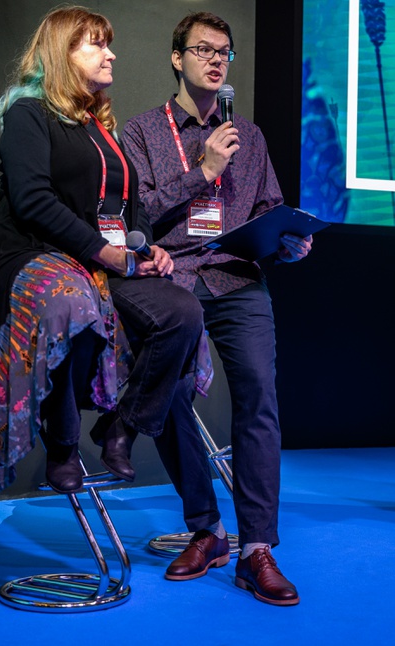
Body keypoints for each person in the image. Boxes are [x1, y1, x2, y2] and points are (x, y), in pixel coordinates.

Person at [0, 6, 214, 501]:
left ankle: (121, 428)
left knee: (183, 311)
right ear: (63, 54)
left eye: (109, 44)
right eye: (97, 44)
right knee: (72, 303)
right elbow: (32, 201)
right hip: (35, 255)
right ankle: (62, 444)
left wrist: (144, 247)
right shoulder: (28, 113)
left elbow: (130, 206)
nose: (111, 55)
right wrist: (104, 252)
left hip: (99, 263)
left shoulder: (98, 124)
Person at [122, 11, 313, 606]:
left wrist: (286, 241)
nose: (216, 60)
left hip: (236, 277)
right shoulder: (141, 132)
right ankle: (206, 529)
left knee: (259, 395)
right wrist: (203, 170)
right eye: (203, 49)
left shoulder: (248, 136)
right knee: (170, 391)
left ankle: (256, 548)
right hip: (172, 276)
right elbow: (135, 216)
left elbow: (268, 208)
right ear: (177, 58)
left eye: (224, 52)